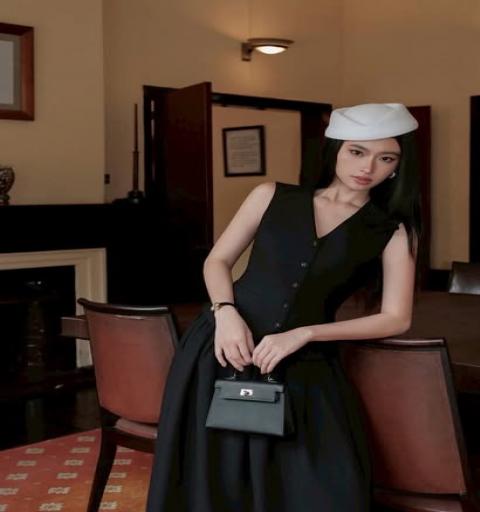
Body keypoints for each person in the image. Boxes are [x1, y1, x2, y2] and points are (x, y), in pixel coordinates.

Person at [146, 102, 420, 512]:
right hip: (223, 347)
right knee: (214, 478)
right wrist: (225, 313)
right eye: (357, 151)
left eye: (386, 158)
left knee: (327, 485)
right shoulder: (271, 195)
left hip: (305, 362)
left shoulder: (392, 231)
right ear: (335, 150)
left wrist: (306, 333)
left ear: (397, 167)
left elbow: (396, 318)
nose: (368, 167)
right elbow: (217, 261)